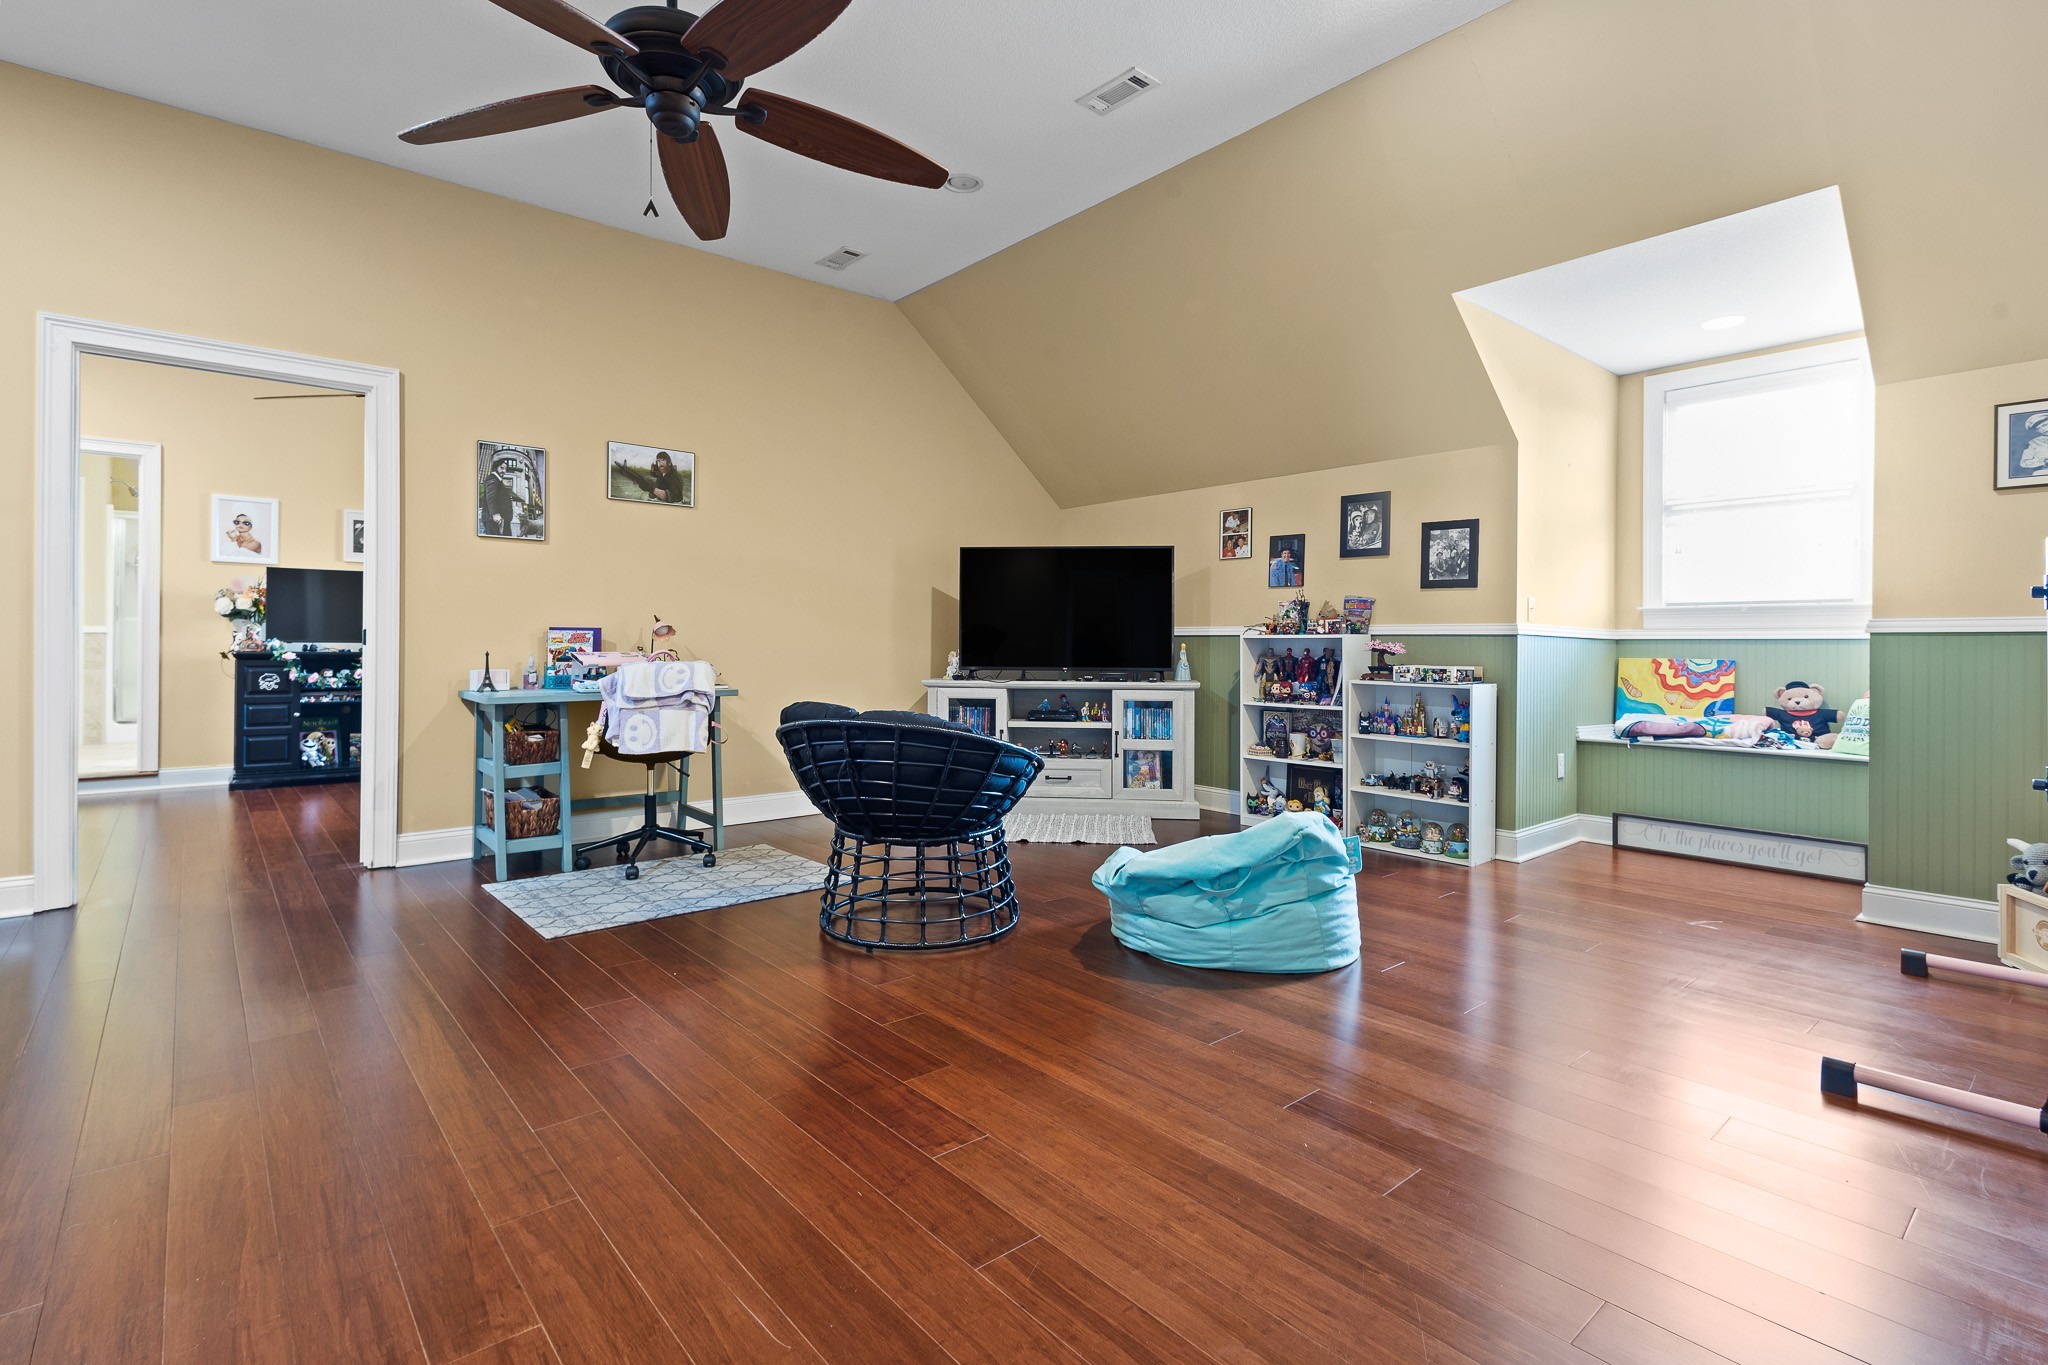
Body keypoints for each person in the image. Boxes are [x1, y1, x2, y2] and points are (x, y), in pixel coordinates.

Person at [480, 455, 519, 536]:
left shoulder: (497, 480)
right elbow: (491, 496)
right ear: (496, 468)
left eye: (505, 469)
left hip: (500, 519)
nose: (504, 471)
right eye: (502, 468)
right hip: (495, 519)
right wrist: (495, 514)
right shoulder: (492, 478)